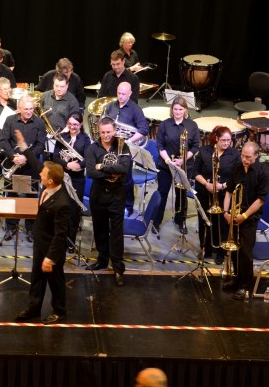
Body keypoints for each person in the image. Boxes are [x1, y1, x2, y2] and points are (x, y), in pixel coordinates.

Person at [14, 149, 71, 325]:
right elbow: (38, 165)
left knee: (55, 281)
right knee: (37, 277)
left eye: (43, 174)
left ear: (51, 181)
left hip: (52, 248)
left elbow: (60, 235)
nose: (40, 174)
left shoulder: (62, 203)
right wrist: (25, 148)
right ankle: (34, 307)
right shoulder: (50, 185)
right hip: (40, 242)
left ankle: (59, 311)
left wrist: (50, 258)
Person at [222, 141, 269, 300]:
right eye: (243, 155)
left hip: (249, 218)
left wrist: (244, 216)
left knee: (245, 252)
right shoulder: (236, 168)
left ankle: (245, 286)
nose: (244, 159)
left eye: (248, 157)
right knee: (234, 250)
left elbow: (260, 200)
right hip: (234, 214)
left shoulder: (263, 173)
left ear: (256, 156)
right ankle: (237, 279)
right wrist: (225, 212)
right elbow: (229, 191)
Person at [85, 117, 131, 285]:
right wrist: (113, 172)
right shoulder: (92, 148)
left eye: (109, 132)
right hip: (98, 195)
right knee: (100, 230)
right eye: (103, 132)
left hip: (116, 195)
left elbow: (124, 169)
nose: (106, 135)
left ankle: (118, 268)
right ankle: (102, 260)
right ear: (99, 131)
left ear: (114, 130)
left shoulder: (123, 146)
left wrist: (103, 167)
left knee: (117, 233)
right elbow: (91, 172)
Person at [1, 95, 47, 241]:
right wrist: (13, 157)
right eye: (26, 109)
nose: (29, 112)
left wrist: (26, 157)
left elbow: (40, 144)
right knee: (11, 196)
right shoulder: (10, 120)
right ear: (19, 109)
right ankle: (11, 227)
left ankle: (30, 229)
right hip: (13, 164)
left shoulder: (39, 122)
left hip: (31, 166)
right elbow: (4, 141)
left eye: (31, 109)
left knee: (31, 198)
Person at [193, 126, 241, 264]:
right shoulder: (204, 151)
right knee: (204, 221)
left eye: (229, 140)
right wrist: (206, 184)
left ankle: (221, 251)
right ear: (216, 139)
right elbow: (195, 172)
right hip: (204, 193)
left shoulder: (234, 154)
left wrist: (223, 185)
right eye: (223, 140)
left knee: (222, 223)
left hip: (224, 195)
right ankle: (206, 248)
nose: (226, 143)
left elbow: (237, 176)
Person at [154, 96, 201, 234]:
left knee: (181, 194)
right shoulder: (165, 124)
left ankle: (180, 221)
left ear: (185, 110)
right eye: (175, 109)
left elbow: (195, 146)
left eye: (181, 109)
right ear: (172, 109)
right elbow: (160, 145)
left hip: (184, 166)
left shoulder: (192, 125)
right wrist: (168, 161)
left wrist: (182, 160)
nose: (178, 112)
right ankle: (156, 221)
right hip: (166, 165)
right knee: (162, 193)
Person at [103, 81, 149, 216]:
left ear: (130, 93)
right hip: (111, 146)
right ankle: (111, 202)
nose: (120, 96)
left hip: (126, 149)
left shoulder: (135, 109)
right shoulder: (110, 106)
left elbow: (144, 129)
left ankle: (128, 206)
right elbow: (104, 123)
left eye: (123, 94)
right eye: (119, 93)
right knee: (109, 175)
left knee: (126, 179)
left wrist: (129, 140)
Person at [52, 112, 90, 248]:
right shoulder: (62, 137)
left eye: (75, 124)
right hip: (62, 176)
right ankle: (58, 238)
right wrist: (67, 164)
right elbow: (55, 157)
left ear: (80, 124)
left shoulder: (85, 139)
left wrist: (78, 166)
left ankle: (70, 241)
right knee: (60, 208)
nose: (72, 127)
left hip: (77, 179)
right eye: (69, 124)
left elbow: (88, 158)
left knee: (74, 210)